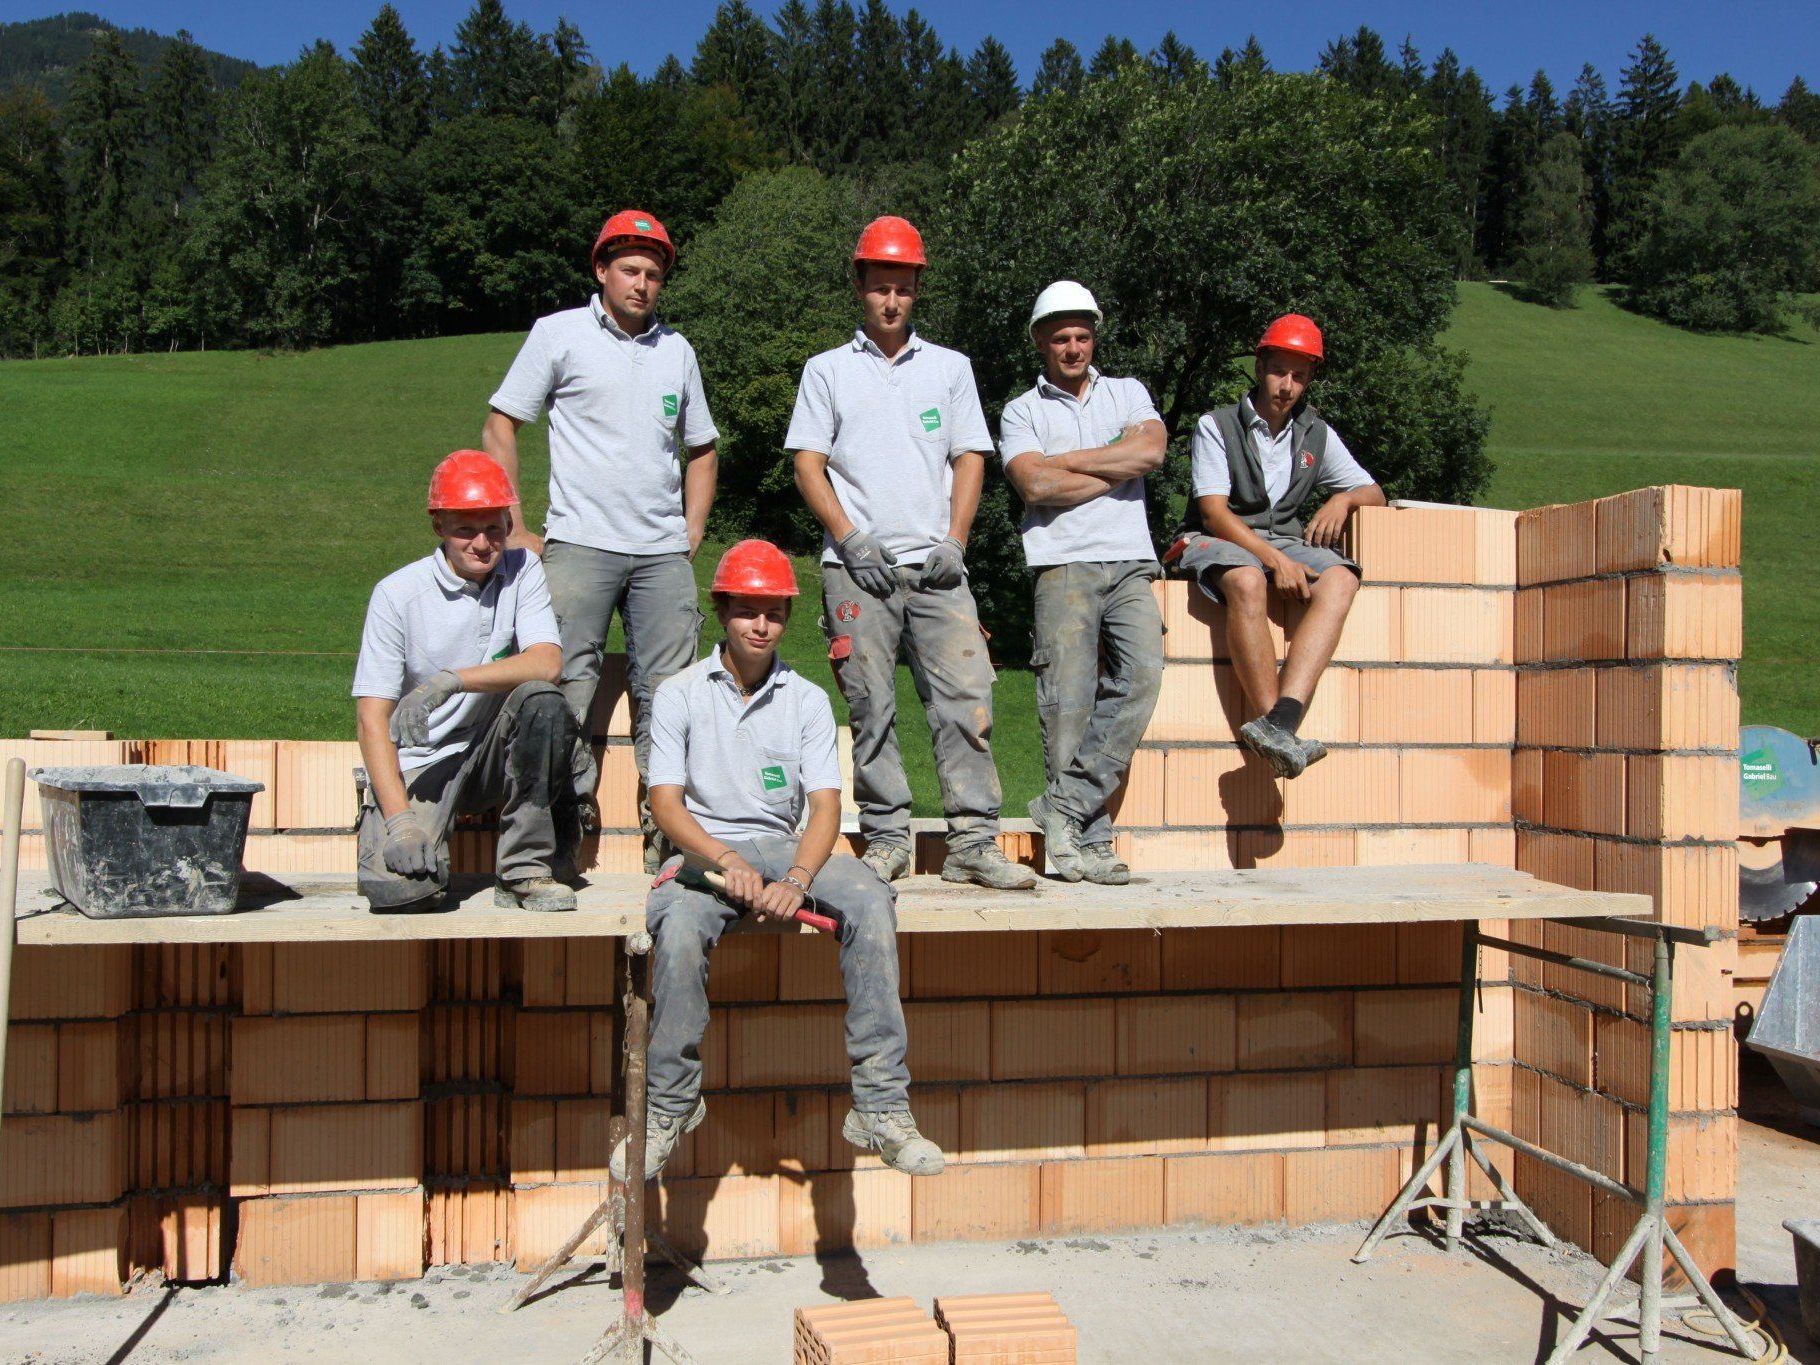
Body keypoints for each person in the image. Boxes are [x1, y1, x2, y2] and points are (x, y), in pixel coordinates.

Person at [611, 540, 944, 1181]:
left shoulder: (808, 700)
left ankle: (881, 1107)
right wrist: (725, 859)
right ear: (722, 612)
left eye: (774, 612)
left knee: (872, 899)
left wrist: (796, 877)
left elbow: (824, 808)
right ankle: (670, 1107)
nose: (761, 625)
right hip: (702, 851)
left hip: (785, 845)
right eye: (747, 611)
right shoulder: (679, 693)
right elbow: (666, 805)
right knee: (677, 930)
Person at [787, 215, 1035, 891]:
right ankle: (889, 837)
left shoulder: (950, 369)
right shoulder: (827, 370)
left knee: (968, 696)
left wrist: (956, 540)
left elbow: (970, 459)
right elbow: (808, 463)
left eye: (902, 287)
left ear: (917, 288)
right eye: (879, 287)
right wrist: (849, 536)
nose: (891, 300)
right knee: (870, 705)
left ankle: (973, 843)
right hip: (855, 569)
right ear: (860, 286)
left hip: (937, 569)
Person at [483, 209, 718, 871]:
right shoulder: (558, 334)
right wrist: (515, 525)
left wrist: (691, 529)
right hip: (579, 543)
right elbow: (501, 424)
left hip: (661, 553)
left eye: (654, 273)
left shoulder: (677, 350)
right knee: (562, 685)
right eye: (630, 270)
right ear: (601, 270)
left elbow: (702, 448)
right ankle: (566, 815)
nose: (642, 284)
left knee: (671, 693)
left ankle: (667, 836)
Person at [352, 451, 583, 913]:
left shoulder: (523, 571)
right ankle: (398, 828)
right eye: (465, 530)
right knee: (402, 892)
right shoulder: (397, 595)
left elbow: (547, 661)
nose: (482, 543)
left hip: (493, 755)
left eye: (494, 528)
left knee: (543, 701)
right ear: (438, 525)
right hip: (424, 760)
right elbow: (371, 717)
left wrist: (452, 680)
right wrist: (399, 820)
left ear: (507, 522)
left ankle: (524, 872)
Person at [999, 282, 1167, 885]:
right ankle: (1086, 845)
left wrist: (1066, 461)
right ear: (1042, 342)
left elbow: (1150, 454)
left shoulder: (1127, 392)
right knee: (1067, 705)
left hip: (1129, 560)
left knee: (1143, 675)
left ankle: (1065, 809)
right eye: (1060, 338)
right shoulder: (1022, 410)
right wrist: (1113, 464)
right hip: (1062, 563)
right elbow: (1035, 488)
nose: (1073, 348)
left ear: (1094, 337)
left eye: (1082, 336)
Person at [1171, 314, 1386, 778]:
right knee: (1248, 580)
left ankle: (1281, 723)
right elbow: (1213, 512)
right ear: (1259, 364)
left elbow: (1376, 493)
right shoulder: (1217, 425)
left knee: (1342, 577)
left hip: (1280, 539)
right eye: (1279, 371)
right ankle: (1278, 732)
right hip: (1215, 537)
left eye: (1300, 376)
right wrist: (1275, 560)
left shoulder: (1315, 433)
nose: (1287, 385)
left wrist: (1343, 499)